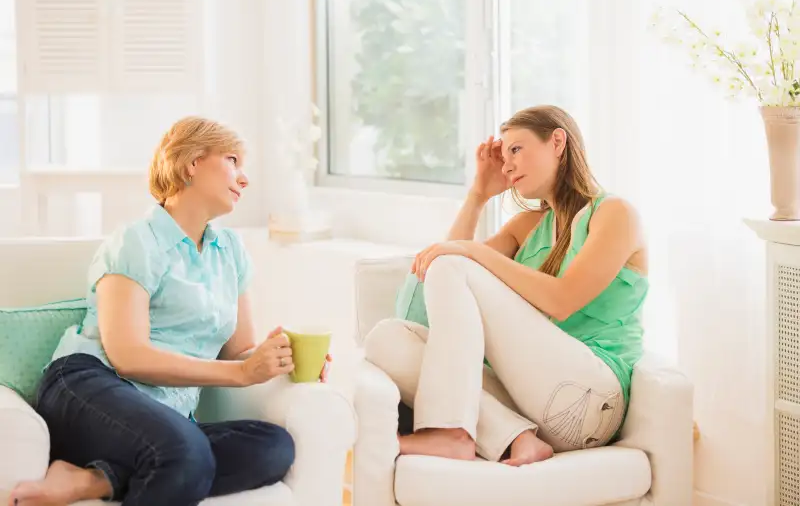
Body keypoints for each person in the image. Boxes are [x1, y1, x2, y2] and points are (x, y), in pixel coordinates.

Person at [10, 116, 331, 506]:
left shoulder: (230, 251)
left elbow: (239, 350)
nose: (244, 178)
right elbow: (128, 356)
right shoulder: (136, 241)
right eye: (232, 160)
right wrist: (242, 373)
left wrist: (279, 357)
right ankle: (132, 466)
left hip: (166, 415)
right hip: (88, 386)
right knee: (186, 454)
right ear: (191, 163)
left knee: (273, 446)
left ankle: (98, 480)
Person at [364, 105, 648, 466]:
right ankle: (515, 436)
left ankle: (451, 433)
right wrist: (478, 196)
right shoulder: (527, 226)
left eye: (516, 149)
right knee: (384, 338)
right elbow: (434, 275)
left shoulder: (615, 213)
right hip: (529, 405)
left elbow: (562, 301)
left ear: (557, 142)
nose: (508, 164)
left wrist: (469, 252)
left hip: (590, 400)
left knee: (458, 262)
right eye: (504, 154)